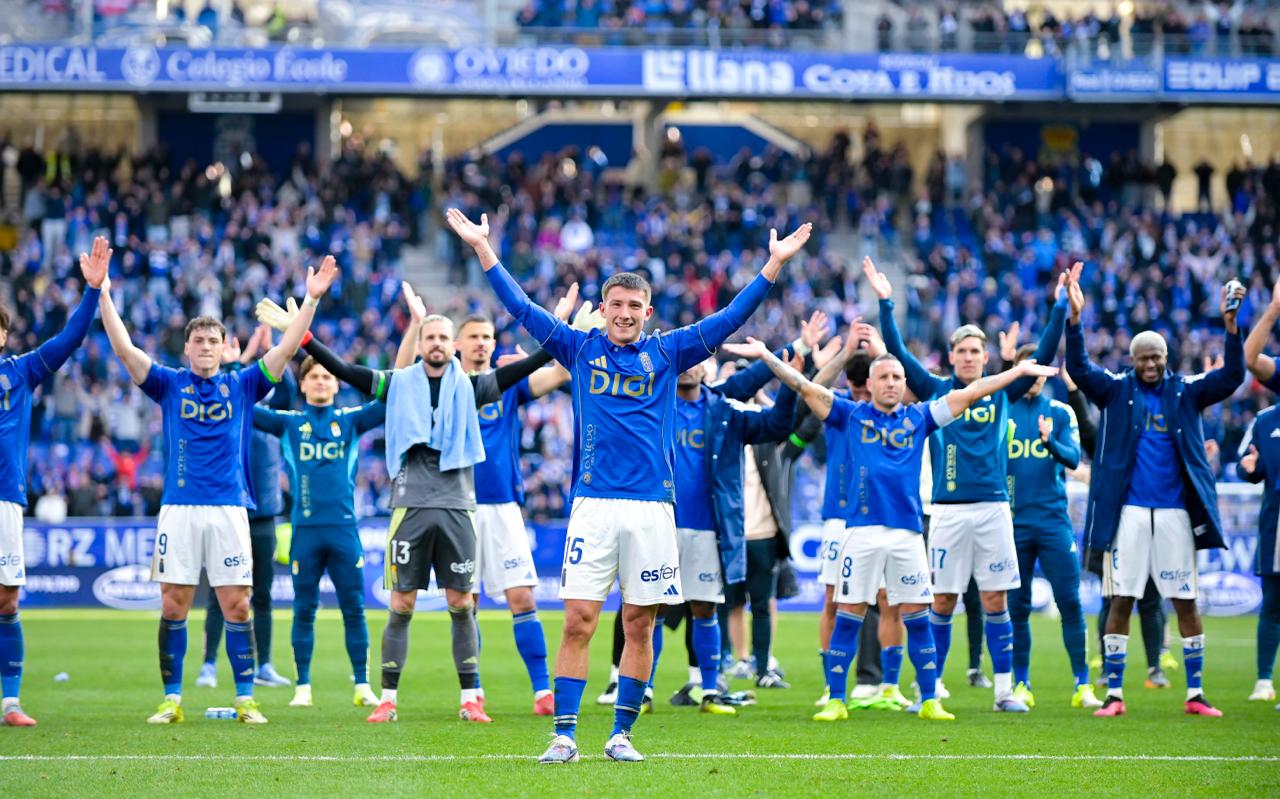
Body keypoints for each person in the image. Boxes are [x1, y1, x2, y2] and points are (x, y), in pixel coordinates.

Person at [446, 206, 811, 763]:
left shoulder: (670, 350)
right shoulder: (578, 347)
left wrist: (773, 264)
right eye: (615, 304)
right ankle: (564, 734)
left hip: (652, 510)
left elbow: (731, 318)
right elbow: (520, 306)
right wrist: (482, 249)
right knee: (579, 620)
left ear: (646, 313)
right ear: (605, 310)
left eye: (633, 306)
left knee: (640, 621)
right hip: (592, 505)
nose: (623, 313)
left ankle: (622, 734)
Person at [256, 287, 568, 725]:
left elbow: (529, 367)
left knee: (462, 603)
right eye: (430, 337)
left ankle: (470, 699)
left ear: (450, 346)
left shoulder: (474, 387)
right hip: (412, 507)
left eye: (443, 337)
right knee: (401, 603)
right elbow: (343, 369)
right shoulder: (396, 384)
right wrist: (302, 337)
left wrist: (559, 333)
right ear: (419, 345)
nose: (437, 344)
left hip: (459, 508)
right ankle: (388, 699)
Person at [743, 338, 1059, 723]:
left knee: (917, 615)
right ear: (871, 384)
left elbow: (973, 391)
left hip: (907, 535)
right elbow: (804, 386)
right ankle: (836, 699)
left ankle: (929, 699)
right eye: (884, 377)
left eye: (897, 376)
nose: (891, 382)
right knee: (848, 613)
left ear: (904, 383)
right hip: (859, 533)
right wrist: (767, 358)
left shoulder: (920, 417)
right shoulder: (849, 414)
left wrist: (1017, 371)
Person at [100, 254, 338, 725]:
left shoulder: (243, 384)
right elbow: (126, 350)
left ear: (226, 345)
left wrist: (310, 300)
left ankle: (246, 698)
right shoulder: (168, 384)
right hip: (180, 509)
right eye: (198, 341)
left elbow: (287, 349)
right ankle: (172, 699)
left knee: (238, 603)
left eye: (213, 340)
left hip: (230, 508)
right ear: (187, 348)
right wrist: (103, 293)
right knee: (174, 603)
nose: (206, 346)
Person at [868, 256, 1068, 712]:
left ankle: (1003, 691)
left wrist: (1057, 309)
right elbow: (898, 354)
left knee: (995, 598)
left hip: (995, 508)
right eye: (962, 351)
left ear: (984, 357)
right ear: (952, 356)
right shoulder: (936, 390)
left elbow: (1038, 359)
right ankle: (932, 686)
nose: (969, 357)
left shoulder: (1001, 388)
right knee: (942, 599)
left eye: (976, 351)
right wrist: (885, 304)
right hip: (948, 510)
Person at [393, 284, 590, 716]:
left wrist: (561, 327)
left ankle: (542, 692)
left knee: (523, 599)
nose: (482, 343)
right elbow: (400, 374)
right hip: (453, 505)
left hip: (502, 507)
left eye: (488, 337)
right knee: (466, 603)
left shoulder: (509, 385)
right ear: (457, 345)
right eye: (474, 337)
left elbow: (559, 374)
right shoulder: (440, 385)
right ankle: (473, 692)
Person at [1065, 265, 1244, 718]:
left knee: (1184, 599)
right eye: (1143, 358)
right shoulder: (1115, 390)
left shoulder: (1185, 391)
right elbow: (1080, 369)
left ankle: (1196, 693)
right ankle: (1115, 694)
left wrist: (1231, 330)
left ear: (1167, 357)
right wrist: (1075, 321)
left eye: (1157, 357)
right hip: (1126, 512)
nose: (1150, 364)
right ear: (1132, 359)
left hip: (1174, 513)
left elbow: (1231, 378)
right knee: (1120, 598)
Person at [0, 235, 108, 727]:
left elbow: (69, 342)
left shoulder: (19, 372)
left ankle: (10, 703)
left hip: (5, 498)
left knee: (6, 597)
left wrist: (91, 292)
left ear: (4, 336)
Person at [251, 352, 385, 710]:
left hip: (344, 530)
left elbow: (391, 396)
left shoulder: (352, 421)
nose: (322, 382)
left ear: (338, 383)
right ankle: (303, 686)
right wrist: (244, 363)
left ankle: (362, 684)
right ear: (304, 384)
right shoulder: (289, 424)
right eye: (314, 377)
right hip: (306, 531)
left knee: (354, 609)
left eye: (328, 376)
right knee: (303, 609)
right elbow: (243, 406)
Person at [673, 349, 800, 713]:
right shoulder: (653, 404)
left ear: (708, 368)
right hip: (658, 522)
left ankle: (710, 689)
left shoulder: (724, 412)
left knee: (706, 607)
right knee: (647, 611)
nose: (690, 364)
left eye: (697, 358)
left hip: (709, 528)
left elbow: (777, 425)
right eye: (685, 357)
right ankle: (641, 692)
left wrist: (789, 377)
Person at [1005, 342, 1102, 710]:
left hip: (1053, 522)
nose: (1032, 373)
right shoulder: (1004, 410)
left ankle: (1082, 684)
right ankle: (1021, 683)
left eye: (1039, 366)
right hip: (1013, 524)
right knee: (1017, 606)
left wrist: (1049, 443)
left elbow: (1075, 458)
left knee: (1070, 601)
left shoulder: (1060, 413)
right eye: (1025, 366)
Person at [198, 324, 294, 690]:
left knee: (264, 595)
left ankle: (264, 664)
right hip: (229, 510)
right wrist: (236, 363)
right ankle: (209, 664)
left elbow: (286, 391)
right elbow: (220, 389)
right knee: (221, 592)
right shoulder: (230, 405)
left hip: (265, 513)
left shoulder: (273, 413)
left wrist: (272, 354)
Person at [1236, 276, 1280, 707]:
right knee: (1273, 600)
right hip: (1278, 517)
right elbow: (1249, 359)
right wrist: (1272, 310)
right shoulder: (1268, 421)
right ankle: (1264, 679)